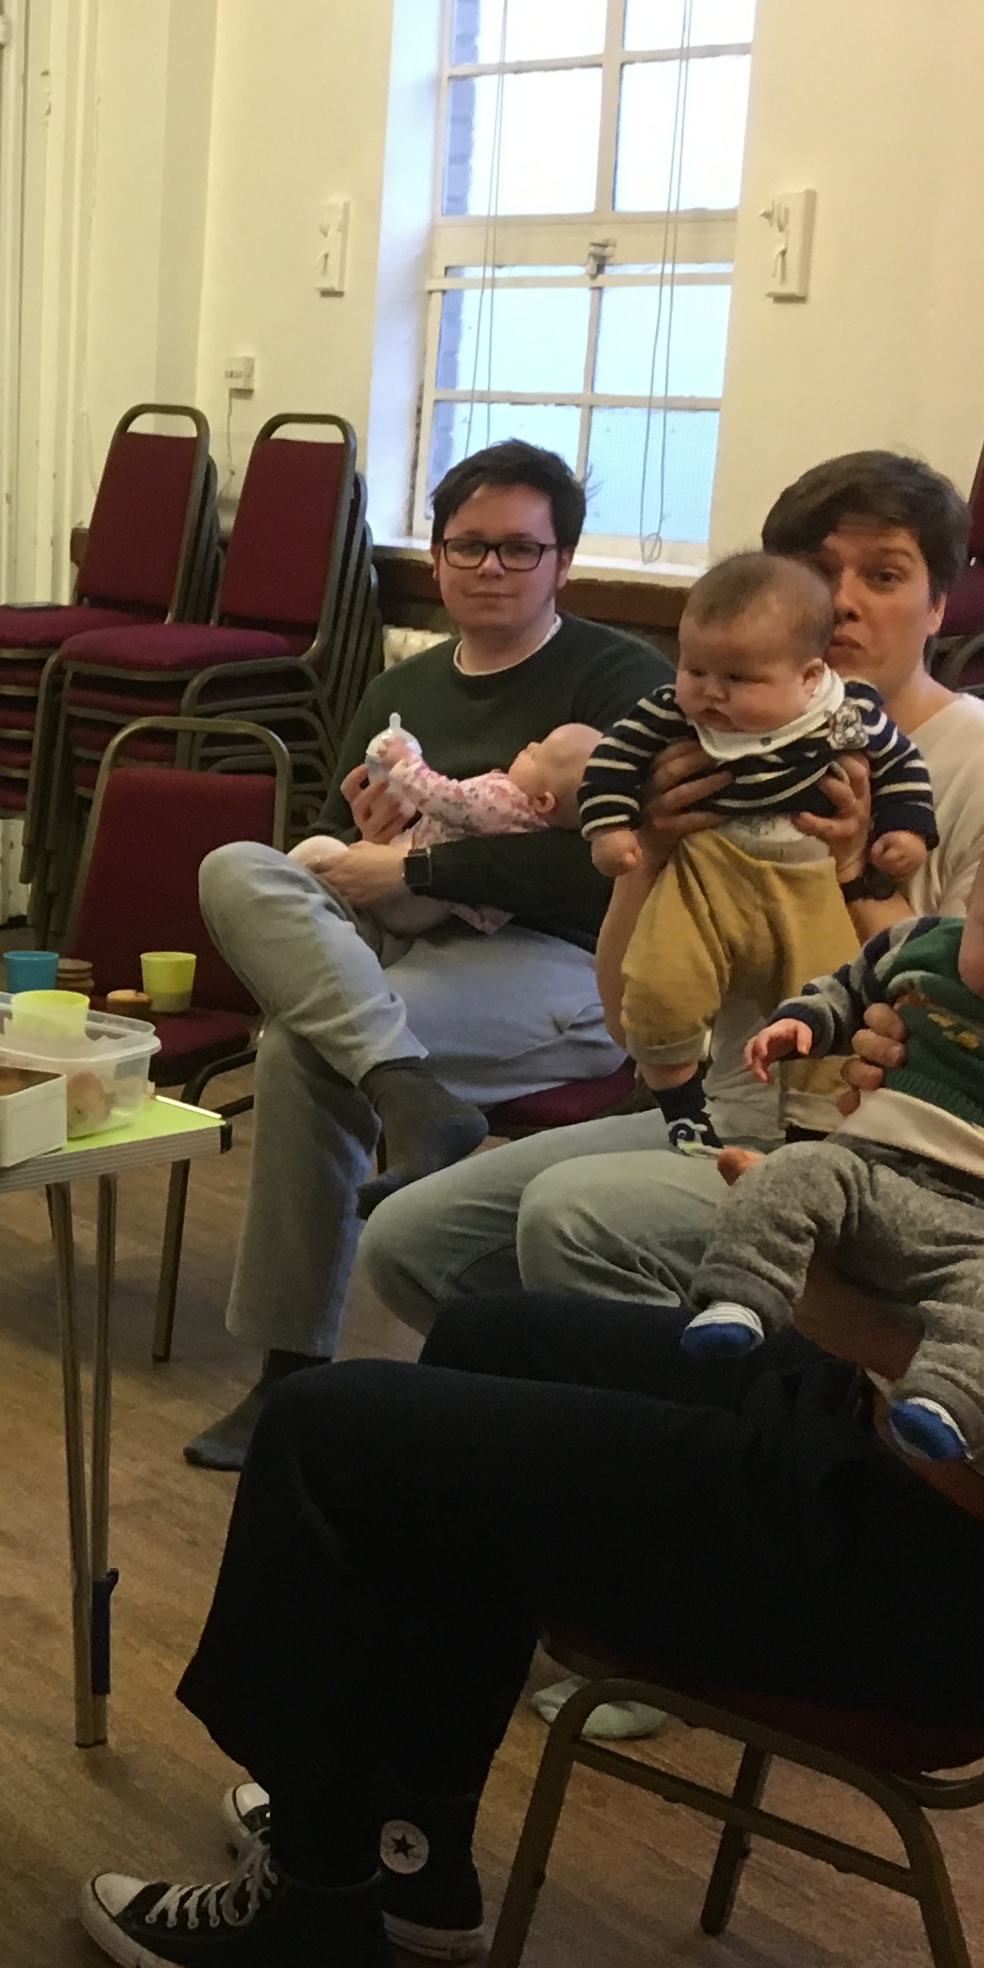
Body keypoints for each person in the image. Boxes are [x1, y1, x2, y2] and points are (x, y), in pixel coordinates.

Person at [79, 462, 984, 1968]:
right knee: (491, 1332)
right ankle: (399, 1845)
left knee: (335, 1432)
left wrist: (830, 1284)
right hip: (914, 1476)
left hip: (923, 1559)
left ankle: (310, 1917)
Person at [351, 450, 984, 1355]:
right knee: (410, 1240)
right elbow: (629, 1019)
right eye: (815, 572)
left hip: (895, 1156)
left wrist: (860, 872)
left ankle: (726, 1419)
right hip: (725, 1113)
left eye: (884, 576)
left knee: (574, 1216)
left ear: (939, 603)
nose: (842, 602)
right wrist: (649, 858)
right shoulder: (715, 744)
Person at [180, 442, 667, 1467]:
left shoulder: (620, 680)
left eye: (519, 549)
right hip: (397, 935)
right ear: (437, 557)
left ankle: (290, 1370)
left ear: (563, 561)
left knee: (301, 1051)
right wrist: (366, 839)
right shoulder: (399, 686)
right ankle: (403, 1084)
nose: (491, 568)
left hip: (561, 959)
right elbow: (332, 847)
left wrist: (423, 872)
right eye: (468, 546)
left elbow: (615, 867)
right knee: (237, 867)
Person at [685, 803, 984, 1461]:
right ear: (970, 905)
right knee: (788, 1174)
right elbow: (849, 989)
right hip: (867, 1173)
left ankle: (944, 1401)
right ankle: (740, 1297)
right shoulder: (923, 945)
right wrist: (803, 1023)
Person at [573, 548, 934, 1152]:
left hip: (809, 880)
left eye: (739, 680)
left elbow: (901, 767)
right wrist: (616, 831)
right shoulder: (673, 716)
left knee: (827, 1001)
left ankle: (813, 1132)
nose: (711, 694)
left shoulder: (846, 716)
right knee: (663, 983)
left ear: (810, 677)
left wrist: (905, 832)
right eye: (695, 670)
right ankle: (679, 1106)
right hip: (706, 872)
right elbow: (613, 761)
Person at [291, 720, 604, 934]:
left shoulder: (504, 801)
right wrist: (371, 837)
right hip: (424, 907)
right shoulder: (535, 825)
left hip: (413, 899)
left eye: (538, 754)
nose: (530, 744)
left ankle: (276, 879)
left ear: (543, 802)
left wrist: (405, 763)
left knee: (317, 851)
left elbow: (445, 798)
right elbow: (334, 822)